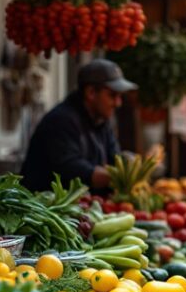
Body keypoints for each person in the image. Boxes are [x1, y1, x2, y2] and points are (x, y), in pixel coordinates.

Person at [21, 59, 138, 192]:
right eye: (112, 95)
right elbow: (76, 172)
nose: (118, 103)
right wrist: (124, 176)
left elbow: (114, 158)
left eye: (120, 96)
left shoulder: (101, 120)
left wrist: (129, 162)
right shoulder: (60, 121)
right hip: (45, 207)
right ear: (91, 93)